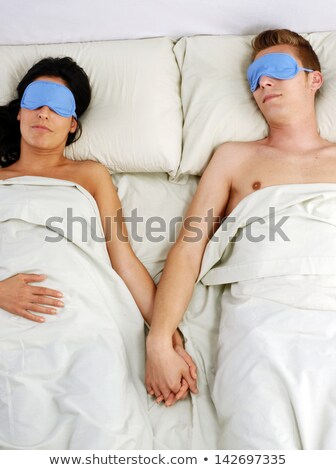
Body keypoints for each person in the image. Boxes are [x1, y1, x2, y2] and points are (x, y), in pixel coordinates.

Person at [146, 29, 336, 448]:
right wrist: (159, 340)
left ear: (314, 79)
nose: (263, 83)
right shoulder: (234, 157)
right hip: (260, 323)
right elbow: (190, 246)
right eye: (255, 78)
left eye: (277, 72)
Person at [0, 56, 195, 449]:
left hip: (82, 313)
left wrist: (167, 338)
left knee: (100, 417)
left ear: (73, 124)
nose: (44, 113)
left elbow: (122, 259)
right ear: (19, 111)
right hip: (7, 311)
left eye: (59, 106)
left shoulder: (89, 175)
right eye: (36, 101)